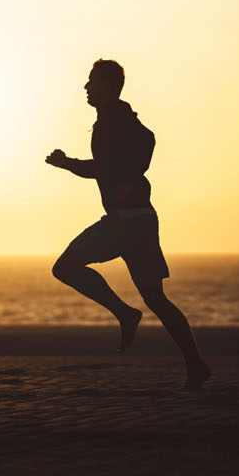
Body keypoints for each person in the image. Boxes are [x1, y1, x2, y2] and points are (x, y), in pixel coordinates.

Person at [46, 59, 212, 389]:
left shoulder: (116, 119)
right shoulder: (111, 119)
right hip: (141, 222)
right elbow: (113, 162)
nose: (86, 87)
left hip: (125, 224)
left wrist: (132, 176)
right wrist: (126, 175)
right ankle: (195, 365)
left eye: (92, 81)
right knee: (156, 298)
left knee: (65, 268)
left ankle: (125, 314)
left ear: (107, 87)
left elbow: (137, 146)